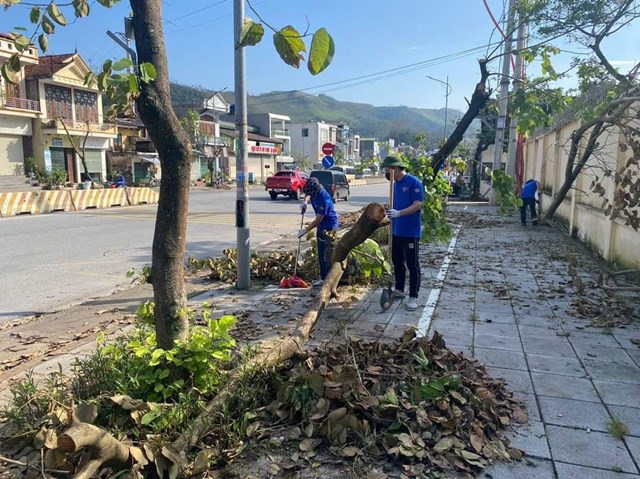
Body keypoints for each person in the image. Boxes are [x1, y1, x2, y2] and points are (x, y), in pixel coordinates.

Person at [382, 155, 424, 310]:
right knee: (398, 262)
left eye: (388, 170)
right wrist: (391, 213)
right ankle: (400, 289)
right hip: (396, 230)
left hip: (410, 231)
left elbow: (417, 205)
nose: (386, 173)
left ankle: (414, 296)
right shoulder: (395, 185)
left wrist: (399, 213)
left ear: (396, 169)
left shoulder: (414, 183)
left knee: (413, 265)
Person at [298, 177, 339, 286]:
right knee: (321, 253)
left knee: (328, 254)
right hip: (321, 226)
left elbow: (318, 220)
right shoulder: (314, 188)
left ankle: (329, 280)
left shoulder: (323, 200)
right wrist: (305, 202)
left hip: (329, 227)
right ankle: (323, 278)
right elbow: (307, 193)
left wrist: (305, 230)